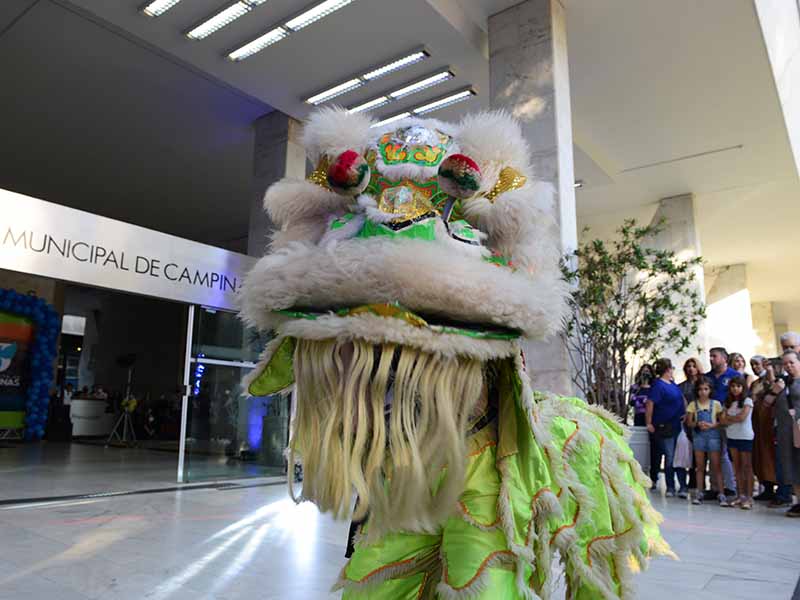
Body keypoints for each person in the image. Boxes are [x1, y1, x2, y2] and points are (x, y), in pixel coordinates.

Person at [238, 108, 670, 597]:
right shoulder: (348, 362)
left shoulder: (480, 330)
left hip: (477, 461)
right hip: (400, 469)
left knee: (481, 572)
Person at [646, 358, 687, 497]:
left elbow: (681, 399)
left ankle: (682, 486)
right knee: (670, 456)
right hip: (665, 425)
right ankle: (670, 486)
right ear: (668, 369)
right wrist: (649, 422)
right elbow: (650, 403)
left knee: (679, 456)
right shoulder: (658, 385)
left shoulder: (672, 384)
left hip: (677, 424)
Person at [685, 377, 725, 505]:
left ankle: (721, 493)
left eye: (706, 389)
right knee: (700, 466)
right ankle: (700, 492)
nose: (703, 392)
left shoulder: (716, 404)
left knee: (716, 466)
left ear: (710, 390)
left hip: (713, 436)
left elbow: (722, 421)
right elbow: (689, 422)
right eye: (700, 389)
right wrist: (697, 423)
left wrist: (712, 425)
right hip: (699, 437)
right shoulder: (693, 405)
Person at [705, 347, 738, 497]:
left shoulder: (734, 376)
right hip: (709, 420)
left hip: (729, 420)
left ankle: (730, 486)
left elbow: (740, 396)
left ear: (724, 358)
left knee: (726, 454)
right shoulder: (707, 377)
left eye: (714, 356)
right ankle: (714, 487)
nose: (711, 359)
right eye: (710, 356)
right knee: (713, 453)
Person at [721, 376, 755, 509]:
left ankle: (749, 497)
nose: (735, 389)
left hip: (745, 437)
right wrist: (730, 419)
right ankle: (740, 495)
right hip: (732, 436)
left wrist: (729, 418)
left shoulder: (747, 401)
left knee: (747, 467)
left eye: (738, 386)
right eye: (733, 386)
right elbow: (722, 420)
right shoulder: (728, 402)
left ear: (743, 387)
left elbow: (742, 417)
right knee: (737, 467)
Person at [774, 350, 800, 517]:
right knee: (792, 466)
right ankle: (798, 501)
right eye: (785, 363)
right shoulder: (783, 382)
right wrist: (774, 391)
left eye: (792, 362)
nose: (789, 366)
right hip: (786, 431)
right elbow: (767, 403)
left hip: (799, 428)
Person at [751, 358, 780, 502]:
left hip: (771, 425)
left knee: (772, 457)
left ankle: (781, 490)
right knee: (760, 456)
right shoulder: (755, 383)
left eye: (757, 364)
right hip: (758, 425)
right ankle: (767, 488)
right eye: (752, 365)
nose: (755, 367)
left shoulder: (775, 381)